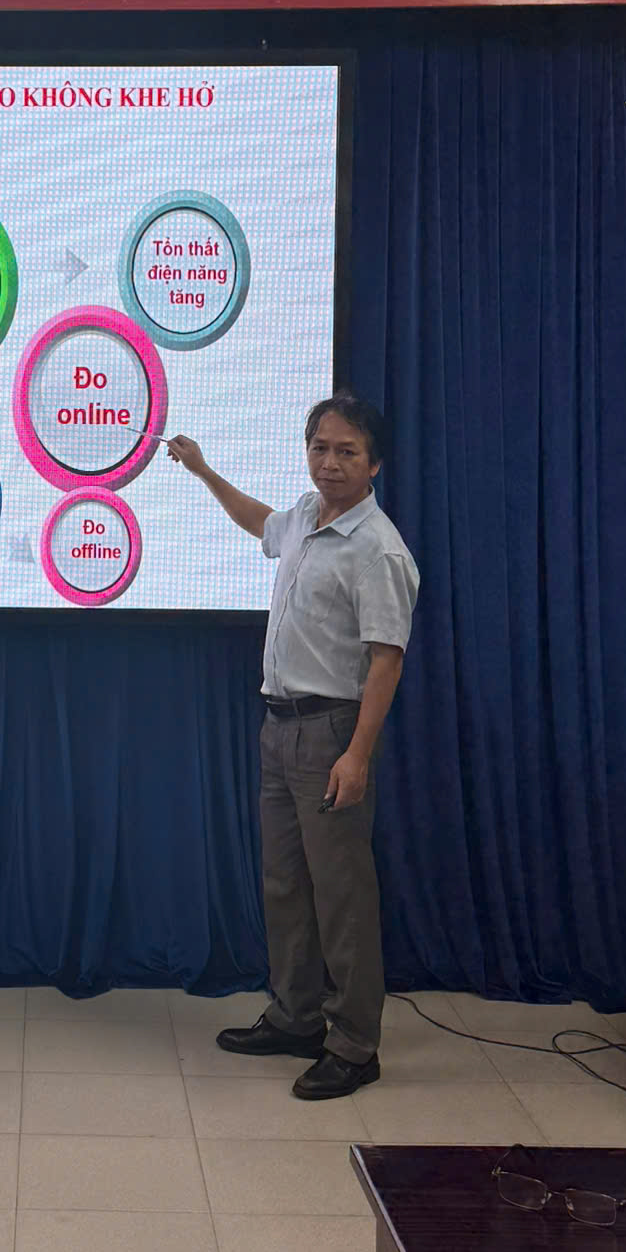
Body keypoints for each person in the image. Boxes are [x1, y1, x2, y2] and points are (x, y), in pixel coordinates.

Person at [166, 392, 417, 1100]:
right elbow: (259, 521)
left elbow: (387, 660)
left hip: (332, 732)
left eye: (346, 452)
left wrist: (357, 755)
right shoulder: (306, 516)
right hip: (278, 726)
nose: (329, 463)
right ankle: (296, 1016)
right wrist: (203, 470)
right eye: (320, 448)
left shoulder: (379, 549)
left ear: (374, 464)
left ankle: (355, 1045)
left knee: (341, 896)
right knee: (285, 885)